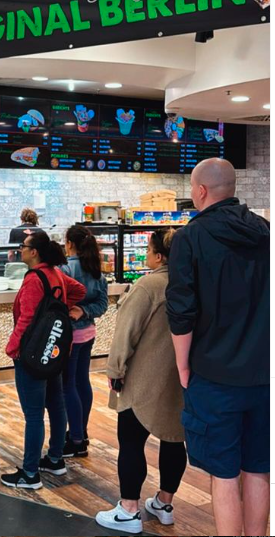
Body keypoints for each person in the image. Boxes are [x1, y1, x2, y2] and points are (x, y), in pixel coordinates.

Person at [166, 158, 270, 537]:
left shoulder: (189, 238)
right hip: (266, 376)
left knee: (224, 473)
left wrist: (183, 367)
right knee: (259, 467)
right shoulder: (266, 232)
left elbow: (181, 312)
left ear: (201, 191)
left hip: (213, 376)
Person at [95, 228, 186, 535]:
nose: (146, 255)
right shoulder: (193, 283)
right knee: (174, 439)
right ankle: (164, 504)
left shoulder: (149, 285)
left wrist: (115, 370)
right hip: (179, 379)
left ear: (159, 256)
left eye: (148, 250)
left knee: (131, 441)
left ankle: (129, 510)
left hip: (143, 378)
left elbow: (126, 332)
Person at [1, 232, 86, 490]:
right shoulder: (55, 274)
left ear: (34, 252)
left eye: (24, 246)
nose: (20, 250)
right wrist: (61, 308)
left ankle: (30, 474)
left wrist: (12, 347)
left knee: (34, 414)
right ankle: (55, 459)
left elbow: (26, 319)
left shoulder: (33, 279)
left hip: (32, 353)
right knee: (56, 405)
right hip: (54, 352)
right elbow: (79, 290)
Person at [59, 225, 108, 458]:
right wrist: (86, 311)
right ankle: (82, 432)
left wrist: (77, 310)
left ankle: (76, 439)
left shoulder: (64, 270)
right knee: (82, 382)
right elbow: (102, 305)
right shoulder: (96, 270)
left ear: (69, 243)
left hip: (71, 336)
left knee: (67, 385)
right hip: (89, 333)